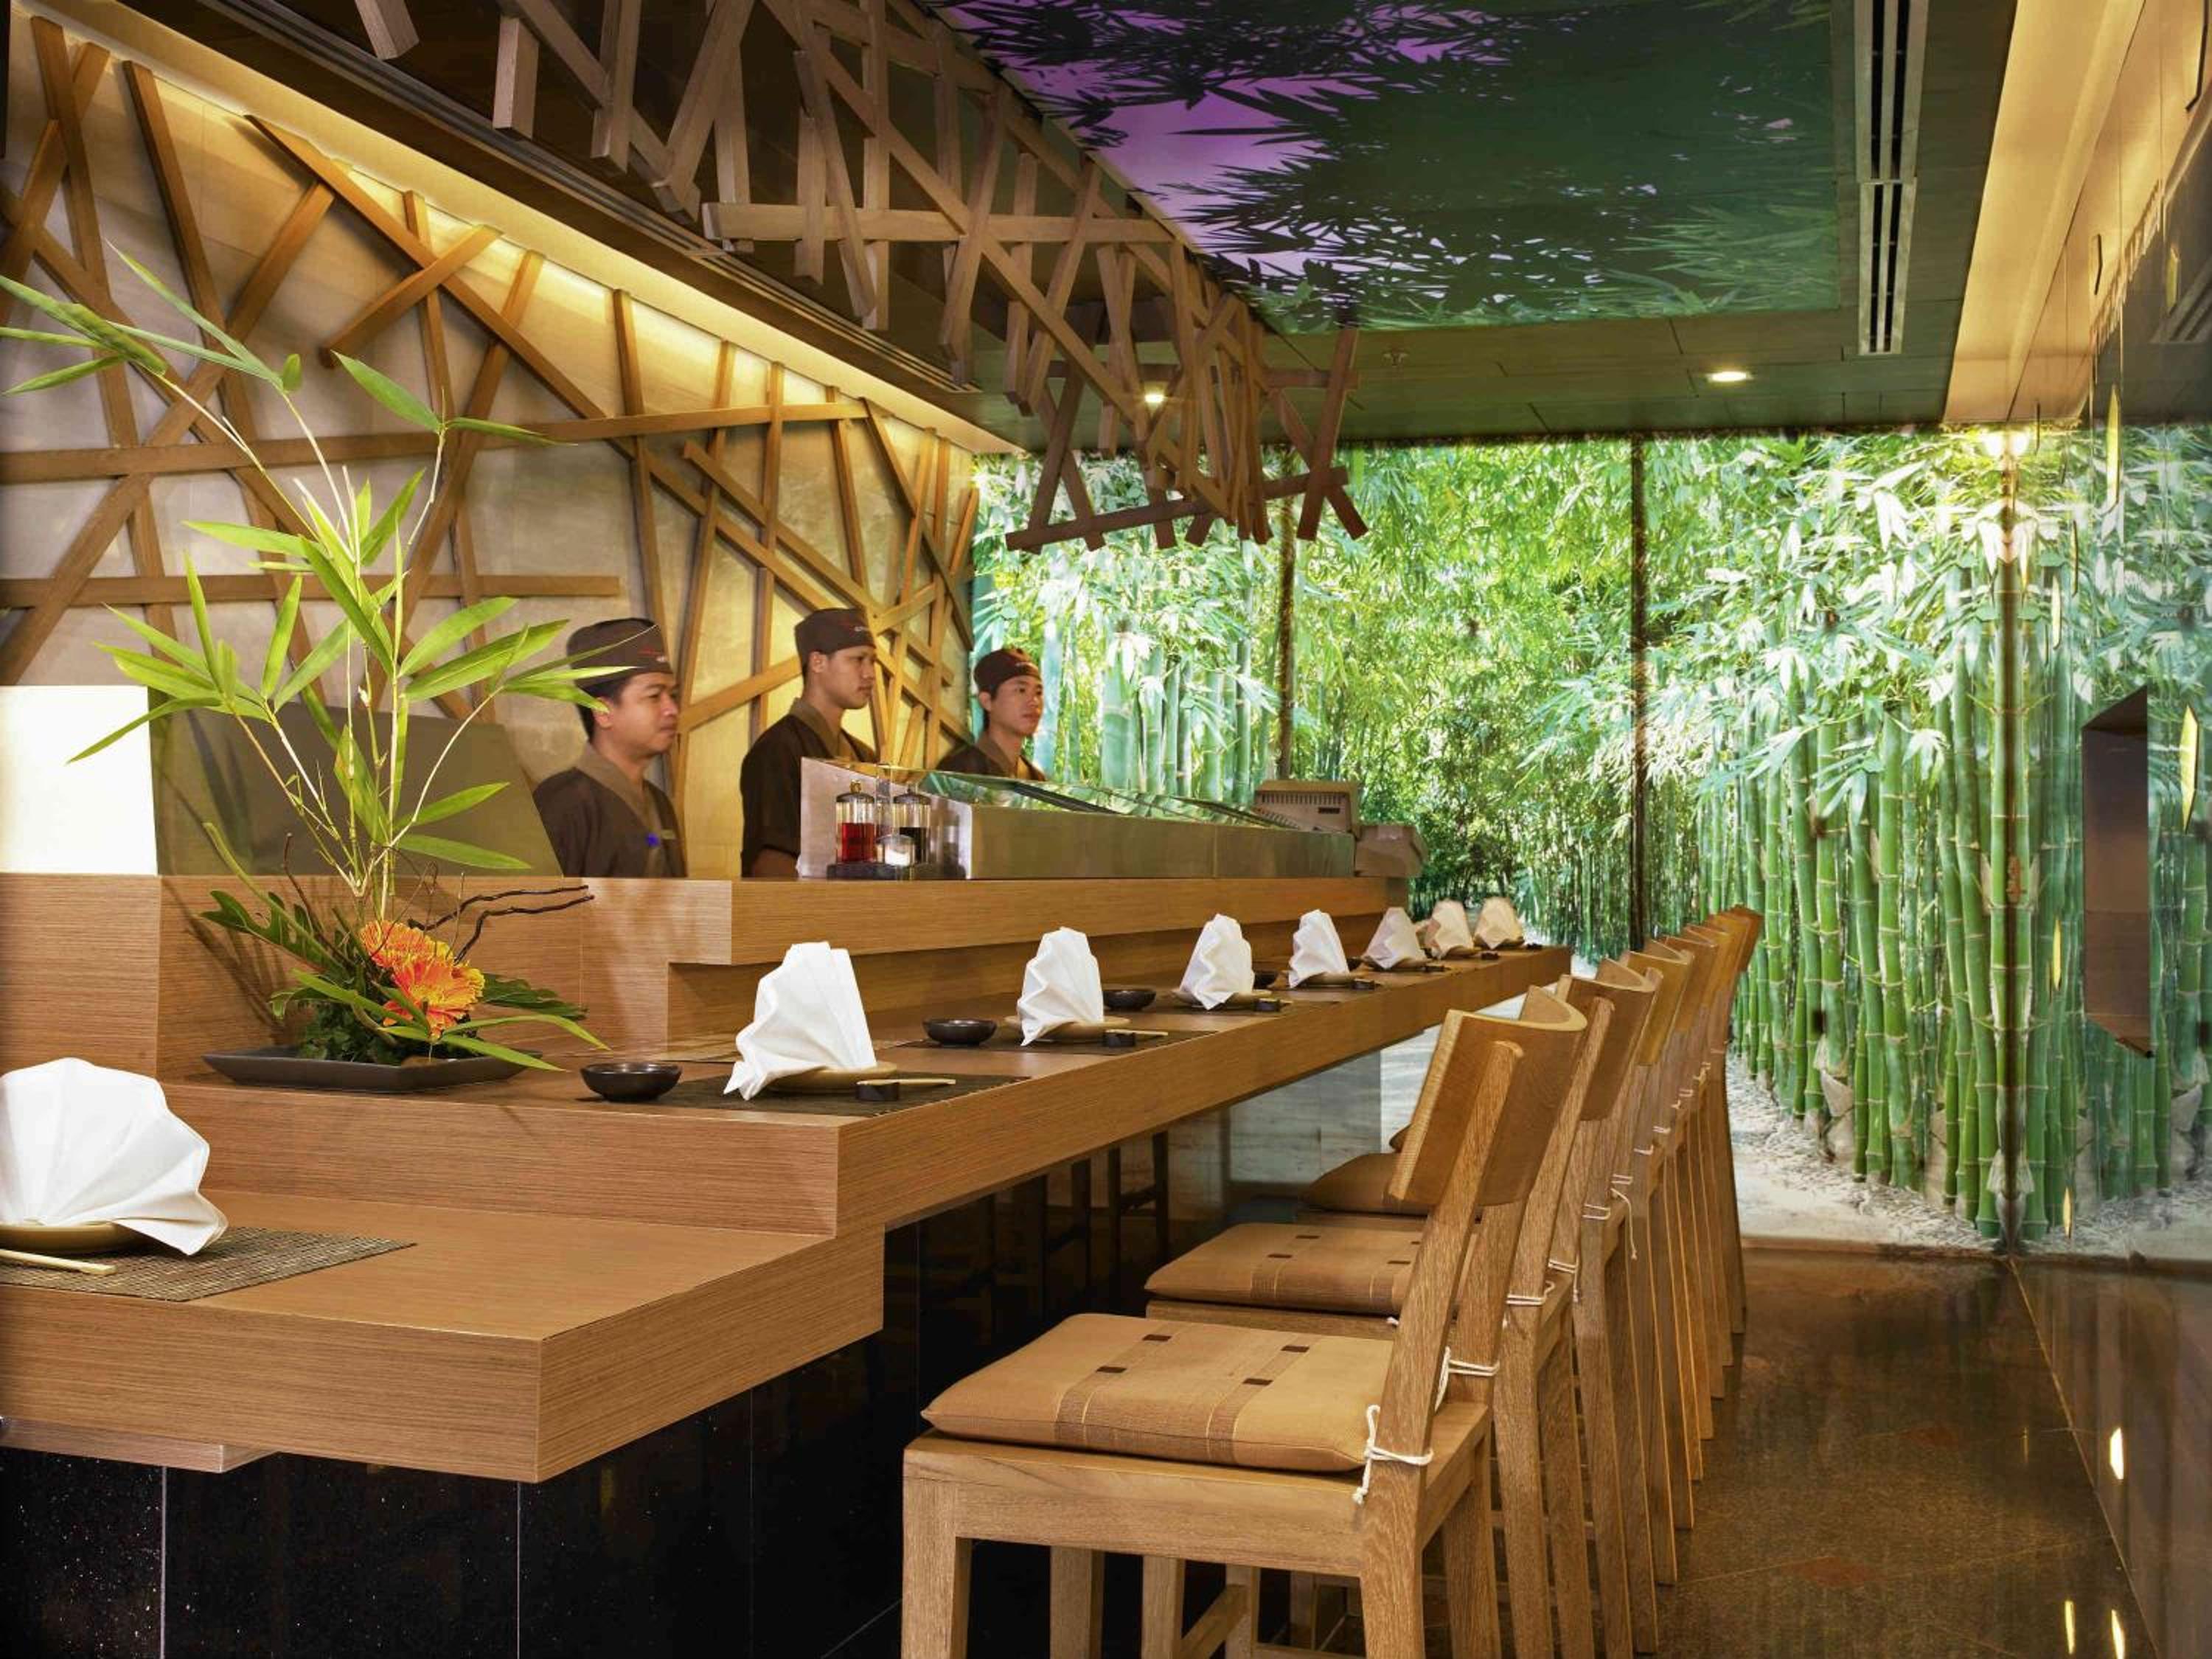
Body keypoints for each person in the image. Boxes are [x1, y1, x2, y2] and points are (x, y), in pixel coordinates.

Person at [532, 616, 686, 877]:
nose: (671, 709)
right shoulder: (561, 803)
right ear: (602, 712)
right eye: (654, 696)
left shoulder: (660, 803)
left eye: (672, 696)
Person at [740, 606, 879, 877]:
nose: (869, 673)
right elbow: (771, 863)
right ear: (817, 662)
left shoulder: (864, 755)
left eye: (872, 661)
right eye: (858, 660)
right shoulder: (777, 750)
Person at [937, 647, 1050, 781]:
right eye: (1021, 690)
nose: (1034, 701)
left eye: (1038, 692)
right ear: (987, 701)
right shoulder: (956, 772)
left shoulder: (1036, 779)